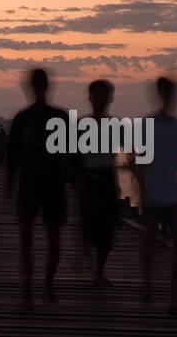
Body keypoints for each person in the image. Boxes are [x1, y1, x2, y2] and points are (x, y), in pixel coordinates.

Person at [7, 68, 75, 312]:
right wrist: (9, 184)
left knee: (53, 240)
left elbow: (71, 152)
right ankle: (28, 291)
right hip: (30, 185)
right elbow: (12, 156)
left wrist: (71, 179)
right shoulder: (22, 119)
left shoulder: (60, 117)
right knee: (26, 240)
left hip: (53, 185)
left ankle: (47, 286)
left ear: (44, 87)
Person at [130, 75, 177, 316]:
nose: (170, 97)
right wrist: (142, 193)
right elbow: (137, 162)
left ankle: (173, 298)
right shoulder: (146, 125)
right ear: (159, 94)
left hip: (173, 195)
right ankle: (147, 286)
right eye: (165, 93)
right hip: (153, 195)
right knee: (148, 244)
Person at [77, 80, 120, 286]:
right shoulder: (81, 125)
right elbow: (72, 156)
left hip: (107, 179)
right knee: (88, 225)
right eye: (97, 96)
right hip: (87, 179)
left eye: (104, 96)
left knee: (107, 227)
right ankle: (88, 261)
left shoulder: (115, 125)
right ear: (90, 98)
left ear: (109, 98)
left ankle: (98, 272)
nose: (100, 100)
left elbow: (119, 156)